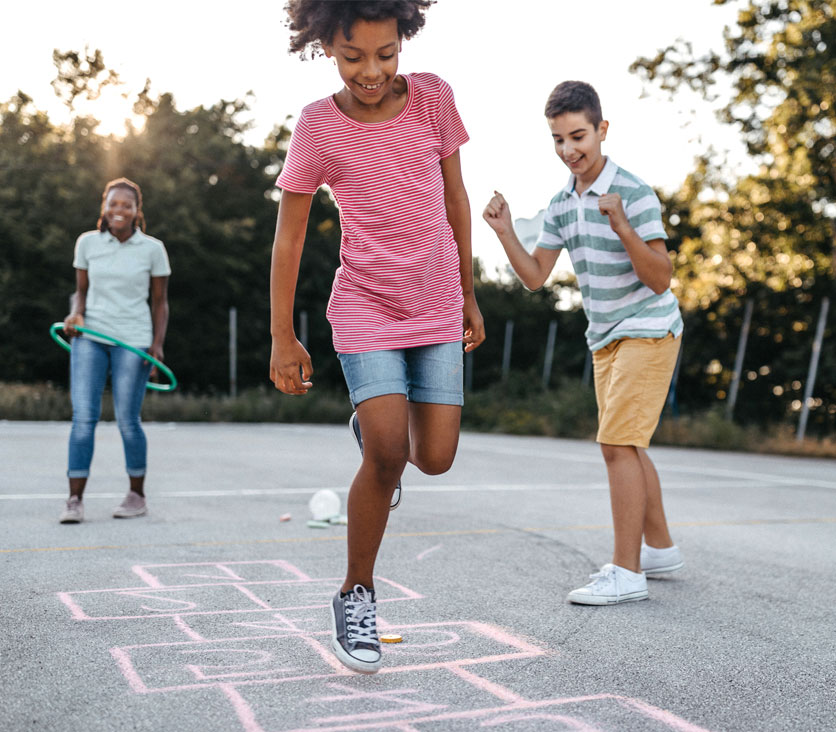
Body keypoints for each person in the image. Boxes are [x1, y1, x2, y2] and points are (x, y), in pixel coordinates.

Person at [269, 0, 485, 674]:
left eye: (385, 54)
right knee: (390, 453)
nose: (371, 71)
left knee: (437, 456)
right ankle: (356, 593)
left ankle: (378, 434)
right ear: (326, 45)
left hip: (436, 300)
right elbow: (291, 234)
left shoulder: (433, 99)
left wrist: (470, 291)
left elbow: (456, 200)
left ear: (404, 40)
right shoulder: (318, 126)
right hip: (365, 305)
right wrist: (283, 334)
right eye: (352, 56)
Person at [483, 80, 684, 606]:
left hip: (649, 327)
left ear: (602, 130)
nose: (569, 150)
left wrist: (622, 225)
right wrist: (505, 231)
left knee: (615, 444)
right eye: (558, 140)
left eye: (578, 136)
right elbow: (535, 276)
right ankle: (658, 548)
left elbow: (660, 277)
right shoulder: (560, 204)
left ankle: (627, 571)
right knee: (628, 443)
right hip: (605, 338)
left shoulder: (634, 193)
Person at [59, 178, 170, 524]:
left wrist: (156, 346)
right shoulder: (87, 244)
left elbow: (161, 302)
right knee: (83, 420)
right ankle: (74, 501)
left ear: (137, 211)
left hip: (133, 340)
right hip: (90, 336)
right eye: (113, 203)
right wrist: (75, 314)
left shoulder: (152, 249)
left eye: (126, 205)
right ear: (103, 208)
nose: (118, 210)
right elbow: (81, 291)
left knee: (127, 420)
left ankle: (136, 495)